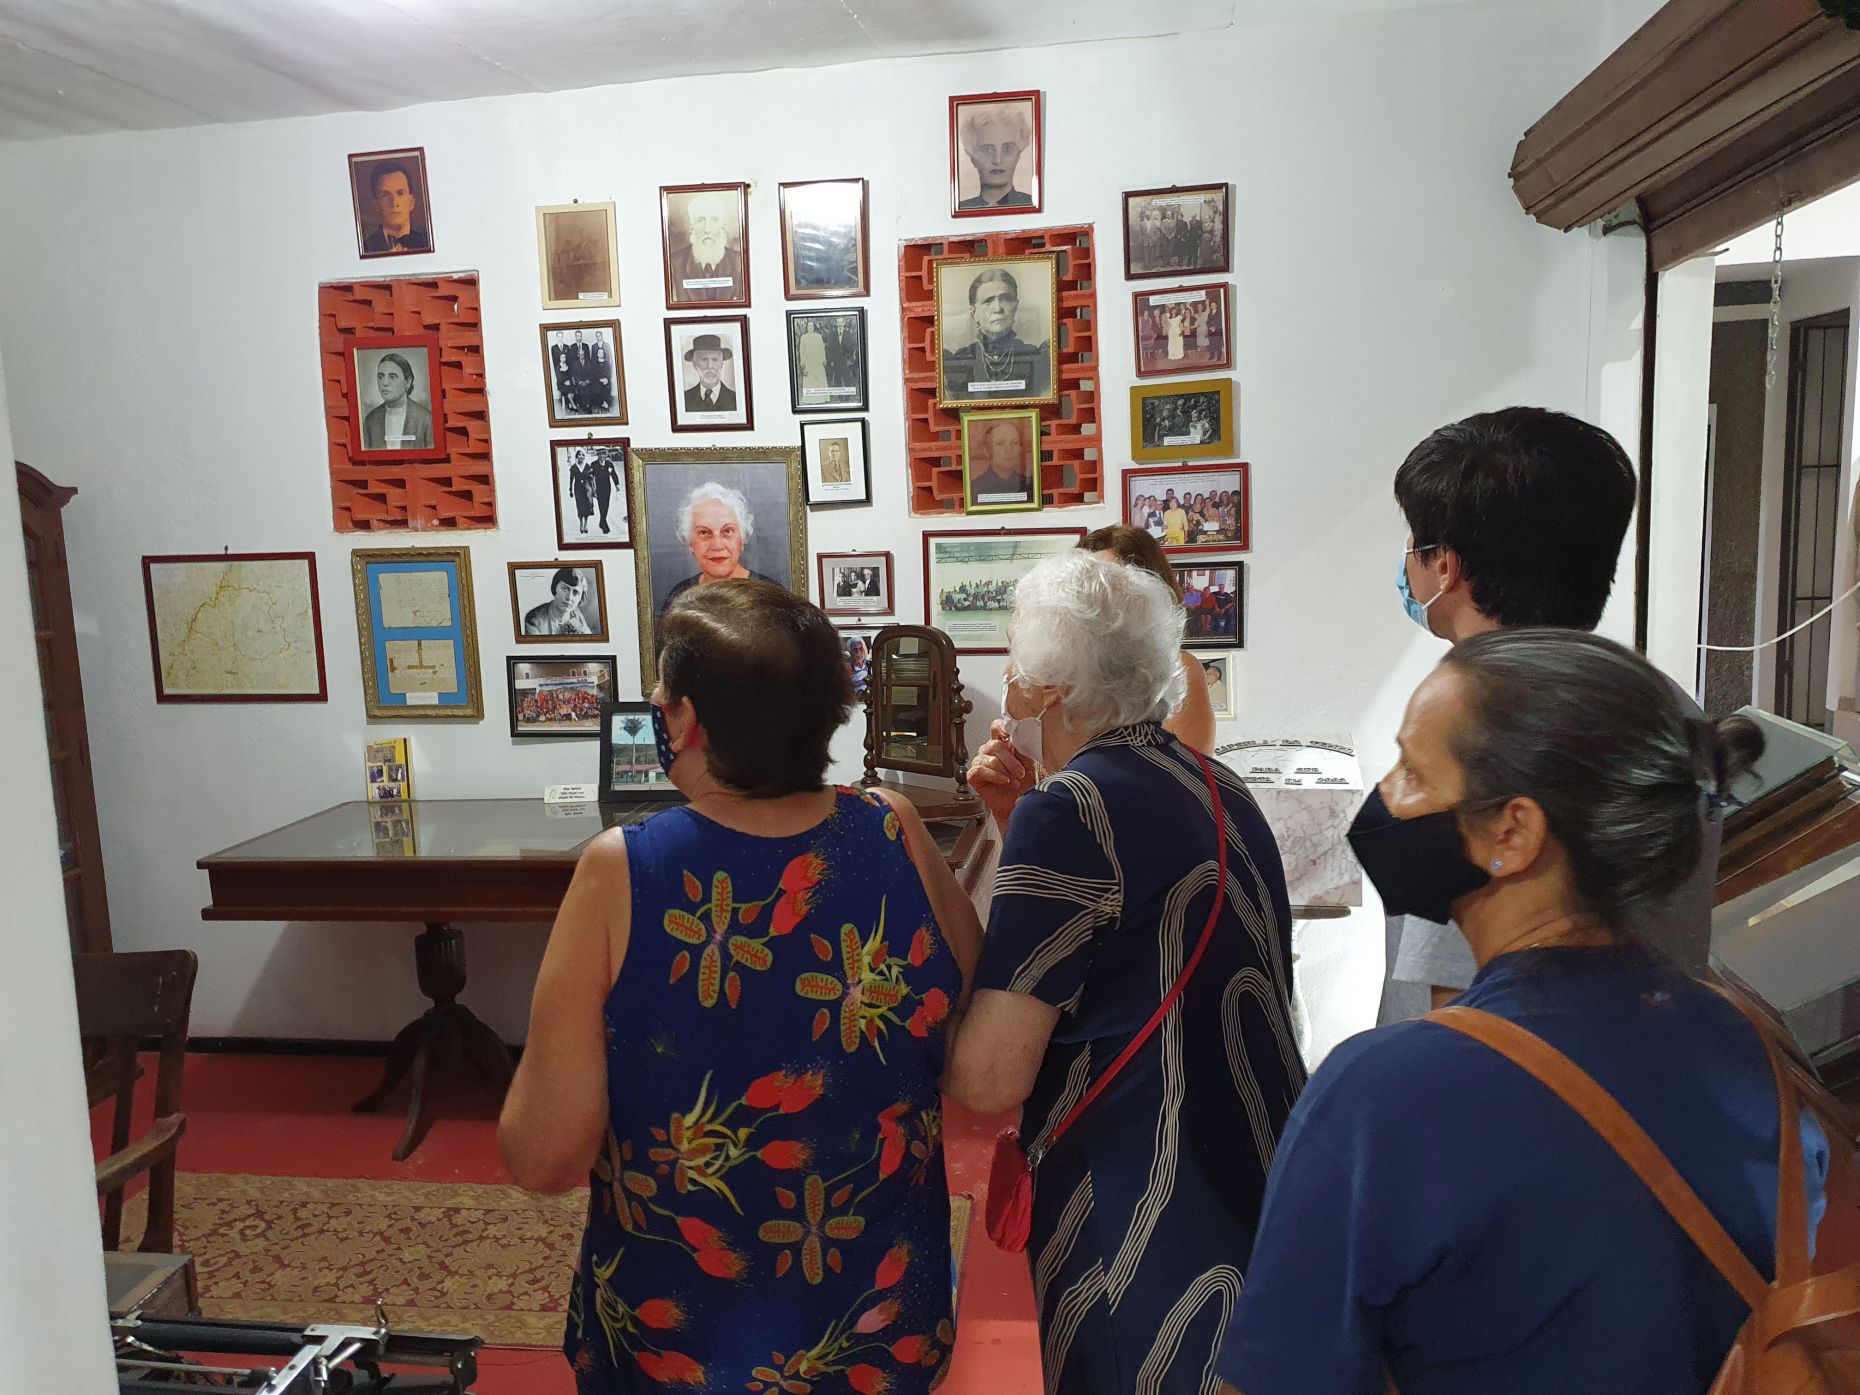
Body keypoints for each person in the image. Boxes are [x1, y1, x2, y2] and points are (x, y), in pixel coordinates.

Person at [1214, 628, 1828, 1395]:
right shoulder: (1751, 1045)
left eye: (1413, 770)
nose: (1387, 797)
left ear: (1513, 831)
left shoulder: (1384, 1095)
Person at [499, 581, 981, 1395]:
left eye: (663, 692)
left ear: (686, 720)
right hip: (878, 1333)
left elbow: (544, 1154)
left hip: (680, 1349)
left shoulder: (625, 870)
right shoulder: (895, 828)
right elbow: (966, 1019)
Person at [947, 550, 1303, 1395]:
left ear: (1053, 688)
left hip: (1137, 1208)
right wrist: (1015, 820)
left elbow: (989, 1075)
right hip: (1252, 1183)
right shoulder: (1218, 782)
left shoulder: (1070, 807)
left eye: (1016, 657)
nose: (1008, 679)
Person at [1378, 407, 1709, 1025]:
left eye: (1414, 544)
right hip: (1648, 1058)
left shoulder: (1476, 726)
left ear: (1445, 566)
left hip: (1496, 1069)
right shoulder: (1662, 704)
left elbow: (1458, 997)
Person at [1080, 524, 1218, 753]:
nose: (1100, 594)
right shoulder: (1062, 667)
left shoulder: (1179, 668)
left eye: (1113, 582)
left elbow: (1187, 767)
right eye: (1089, 581)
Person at [660, 483, 782, 616]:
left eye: (727, 531)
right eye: (704, 532)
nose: (717, 545)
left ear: (742, 539)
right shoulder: (679, 596)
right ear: (690, 543)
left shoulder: (771, 596)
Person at [941, 268, 1050, 400]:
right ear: (974, 312)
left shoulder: (1036, 357)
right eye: (988, 301)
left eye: (1005, 299)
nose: (998, 309)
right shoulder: (960, 360)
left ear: (1015, 306)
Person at [669, 191, 744, 302]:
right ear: (692, 227)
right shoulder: (674, 263)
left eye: (714, 220)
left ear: (723, 225)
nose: (707, 229)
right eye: (700, 220)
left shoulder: (740, 262)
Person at [955, 104, 1034, 209]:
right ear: (972, 156)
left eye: (1007, 149)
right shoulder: (962, 209)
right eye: (987, 149)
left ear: (1018, 154)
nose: (998, 160)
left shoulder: (1032, 203)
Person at [360, 351, 433, 450]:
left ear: (408, 382)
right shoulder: (370, 421)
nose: (385, 383)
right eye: (381, 377)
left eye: (392, 377)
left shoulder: (425, 419)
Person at [360, 162, 431, 254]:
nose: (394, 203)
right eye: (385, 195)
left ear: (411, 202)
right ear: (376, 205)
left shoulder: (429, 240)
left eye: (400, 193)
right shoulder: (366, 248)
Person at [967, 419, 1034, 505]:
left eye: (1014, 443)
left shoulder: (1029, 485)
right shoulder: (974, 488)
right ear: (986, 450)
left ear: (1020, 448)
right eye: (1000, 443)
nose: (1009, 450)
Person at [524, 567, 593, 636]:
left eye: (575, 592)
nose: (569, 597)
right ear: (555, 588)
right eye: (564, 588)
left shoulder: (576, 614)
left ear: (581, 597)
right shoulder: (534, 619)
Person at [682, 335, 738, 413]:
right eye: (704, 360)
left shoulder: (736, 399)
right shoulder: (684, 399)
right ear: (694, 364)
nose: (710, 366)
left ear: (722, 364)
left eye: (715, 360)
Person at [796, 319, 829, 402]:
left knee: (819, 378)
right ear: (807, 327)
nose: (810, 328)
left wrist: (824, 359)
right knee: (809, 380)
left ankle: (821, 398)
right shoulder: (803, 337)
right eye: (809, 326)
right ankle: (810, 399)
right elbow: (801, 350)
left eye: (812, 326)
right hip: (808, 362)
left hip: (818, 361)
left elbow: (822, 349)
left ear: (814, 327)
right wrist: (802, 362)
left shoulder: (819, 337)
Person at [591, 450, 622, 535]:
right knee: (601, 506)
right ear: (598, 455)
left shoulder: (609, 464)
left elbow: (614, 474)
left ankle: (602, 521)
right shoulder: (594, 464)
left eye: (604, 454)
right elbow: (591, 477)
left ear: (606, 455)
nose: (602, 456)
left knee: (606, 505)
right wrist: (592, 489)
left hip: (607, 488)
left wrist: (617, 485)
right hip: (598, 488)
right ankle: (604, 524)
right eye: (600, 454)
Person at [568, 451, 594, 535]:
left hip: (586, 488)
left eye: (583, 455)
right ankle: (581, 523)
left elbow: (591, 479)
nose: (581, 456)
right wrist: (570, 490)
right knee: (580, 506)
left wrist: (593, 490)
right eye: (579, 455)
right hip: (578, 489)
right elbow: (571, 479)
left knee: (587, 507)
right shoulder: (573, 467)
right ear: (577, 456)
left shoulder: (587, 466)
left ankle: (585, 524)